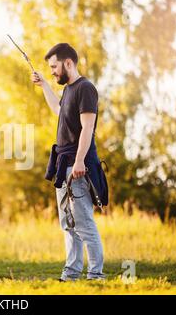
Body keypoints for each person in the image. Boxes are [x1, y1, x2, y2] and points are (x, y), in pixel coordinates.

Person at [32, 43, 105, 281]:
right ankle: (71, 273)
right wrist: (44, 84)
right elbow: (58, 109)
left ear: (68, 63)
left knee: (83, 223)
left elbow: (87, 128)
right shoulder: (69, 90)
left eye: (54, 66)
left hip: (78, 165)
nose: (52, 71)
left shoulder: (85, 88)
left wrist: (80, 162)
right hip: (63, 166)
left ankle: (96, 275)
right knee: (68, 224)